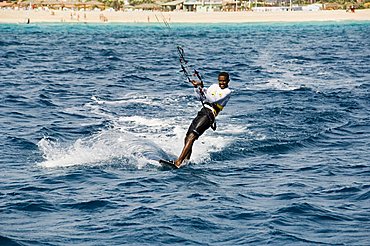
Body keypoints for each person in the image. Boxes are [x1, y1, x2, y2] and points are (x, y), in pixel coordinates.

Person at [174, 72, 232, 168]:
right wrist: (197, 88)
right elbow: (200, 98)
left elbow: (214, 100)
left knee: (192, 136)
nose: (222, 83)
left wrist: (202, 88)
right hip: (203, 111)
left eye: (224, 81)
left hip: (210, 114)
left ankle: (178, 162)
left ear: (228, 81)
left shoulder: (227, 92)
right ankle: (185, 161)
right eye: (220, 81)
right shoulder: (213, 86)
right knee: (188, 137)